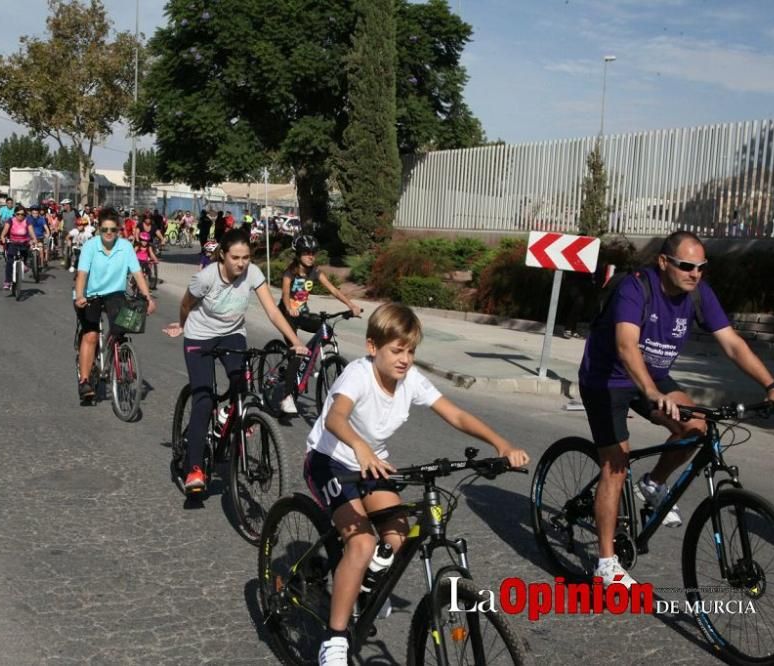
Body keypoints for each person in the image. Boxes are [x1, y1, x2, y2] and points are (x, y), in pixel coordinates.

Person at [306, 303, 530, 665]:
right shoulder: (357, 374)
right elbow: (336, 417)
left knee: (398, 534)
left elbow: (454, 413)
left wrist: (500, 444)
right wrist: (360, 447)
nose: (405, 359)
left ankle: (363, 589)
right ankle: (334, 639)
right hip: (330, 461)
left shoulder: (411, 381)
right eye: (397, 350)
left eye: (410, 351)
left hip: (371, 464)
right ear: (372, 347)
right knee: (362, 543)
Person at [578, 230, 774, 589]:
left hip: (653, 377)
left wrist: (771, 386)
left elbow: (733, 344)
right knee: (615, 465)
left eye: (701, 267)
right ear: (664, 262)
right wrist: (648, 392)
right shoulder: (636, 288)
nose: (695, 274)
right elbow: (626, 345)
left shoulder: (698, 295)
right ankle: (605, 563)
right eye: (687, 266)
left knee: (697, 428)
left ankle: (653, 483)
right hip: (608, 380)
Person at [162, 228, 308, 493]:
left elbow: (273, 312)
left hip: (232, 335)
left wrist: (295, 342)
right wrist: (183, 326)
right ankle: (194, 467)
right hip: (200, 337)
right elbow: (185, 305)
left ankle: (229, 419)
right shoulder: (206, 278)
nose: (241, 263)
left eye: (246, 257)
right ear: (223, 256)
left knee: (241, 386)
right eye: (235, 257)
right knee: (204, 399)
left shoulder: (253, 274)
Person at [73, 208, 157, 401]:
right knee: (92, 335)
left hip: (114, 293)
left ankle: (117, 357)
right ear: (98, 229)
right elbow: (82, 274)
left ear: (119, 229)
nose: (109, 233)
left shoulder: (126, 247)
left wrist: (148, 297)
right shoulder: (90, 246)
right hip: (90, 295)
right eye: (104, 229)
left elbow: (137, 273)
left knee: (120, 328)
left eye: (113, 229)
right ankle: (85, 381)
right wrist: (79, 296)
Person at [276, 234, 362, 415]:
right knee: (297, 352)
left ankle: (310, 359)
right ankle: (287, 397)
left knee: (326, 328)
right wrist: (289, 307)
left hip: (302, 314)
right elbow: (285, 294)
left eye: (313, 253)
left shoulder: (315, 272)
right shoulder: (289, 272)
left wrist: (351, 305)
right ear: (298, 254)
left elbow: (333, 290)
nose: (311, 256)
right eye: (307, 253)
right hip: (286, 314)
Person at [0, 205, 36, 290]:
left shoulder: (27, 221)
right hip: (13, 243)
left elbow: (31, 232)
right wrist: (3, 238)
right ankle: (7, 281)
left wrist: (34, 240)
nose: (20, 216)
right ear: (15, 214)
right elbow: (4, 232)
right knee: (10, 261)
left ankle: (24, 265)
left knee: (27, 253)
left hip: (24, 243)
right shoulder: (10, 220)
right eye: (18, 214)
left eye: (22, 214)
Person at [27, 204, 50, 268]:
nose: (35, 215)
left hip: (40, 238)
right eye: (33, 213)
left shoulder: (42, 219)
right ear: (31, 213)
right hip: (30, 238)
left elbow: (46, 228)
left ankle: (42, 264)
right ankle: (29, 260)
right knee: (30, 248)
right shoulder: (28, 219)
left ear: (38, 213)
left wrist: (47, 234)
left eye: (36, 213)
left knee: (41, 250)